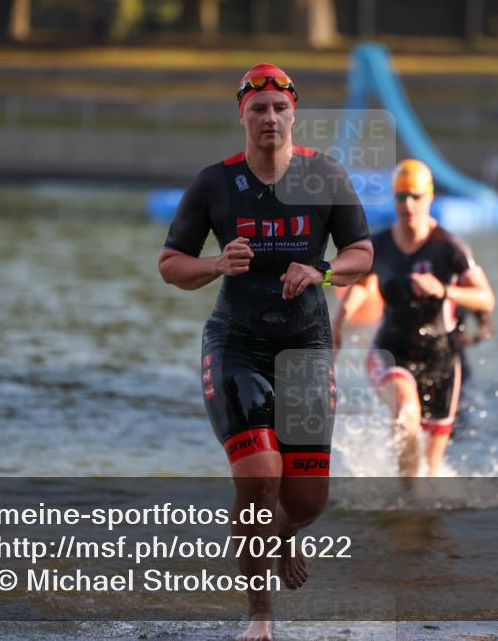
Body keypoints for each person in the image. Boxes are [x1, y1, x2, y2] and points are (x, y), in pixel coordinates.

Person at [158, 63, 372, 641]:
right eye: (258, 110)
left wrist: (323, 271)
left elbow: (361, 252)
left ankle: (280, 535)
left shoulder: (324, 174)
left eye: (279, 108)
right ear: (242, 116)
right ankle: (260, 616)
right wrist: (214, 263)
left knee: (305, 500)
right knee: (257, 476)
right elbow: (170, 264)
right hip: (238, 344)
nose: (269, 119)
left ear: (293, 113)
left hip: (306, 344)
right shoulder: (215, 184)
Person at [333, 159, 494, 477]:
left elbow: (486, 298)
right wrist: (339, 322)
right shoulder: (378, 244)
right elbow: (364, 288)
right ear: (394, 199)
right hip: (392, 351)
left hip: (443, 358)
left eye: (416, 196)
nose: (409, 204)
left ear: (430, 197)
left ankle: (417, 516)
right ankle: (404, 510)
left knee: (431, 468)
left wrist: (444, 291)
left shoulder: (449, 247)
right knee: (406, 414)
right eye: (402, 196)